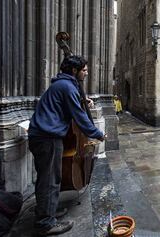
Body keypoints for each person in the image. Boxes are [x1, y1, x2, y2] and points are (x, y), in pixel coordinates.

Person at [28, 55, 106, 236]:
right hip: (47, 137)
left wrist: (81, 100)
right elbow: (79, 117)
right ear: (74, 70)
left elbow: (66, 105)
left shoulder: (61, 85)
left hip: (42, 135)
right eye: (84, 70)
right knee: (49, 180)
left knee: (48, 178)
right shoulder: (67, 87)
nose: (86, 73)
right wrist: (98, 134)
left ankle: (49, 211)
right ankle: (45, 223)